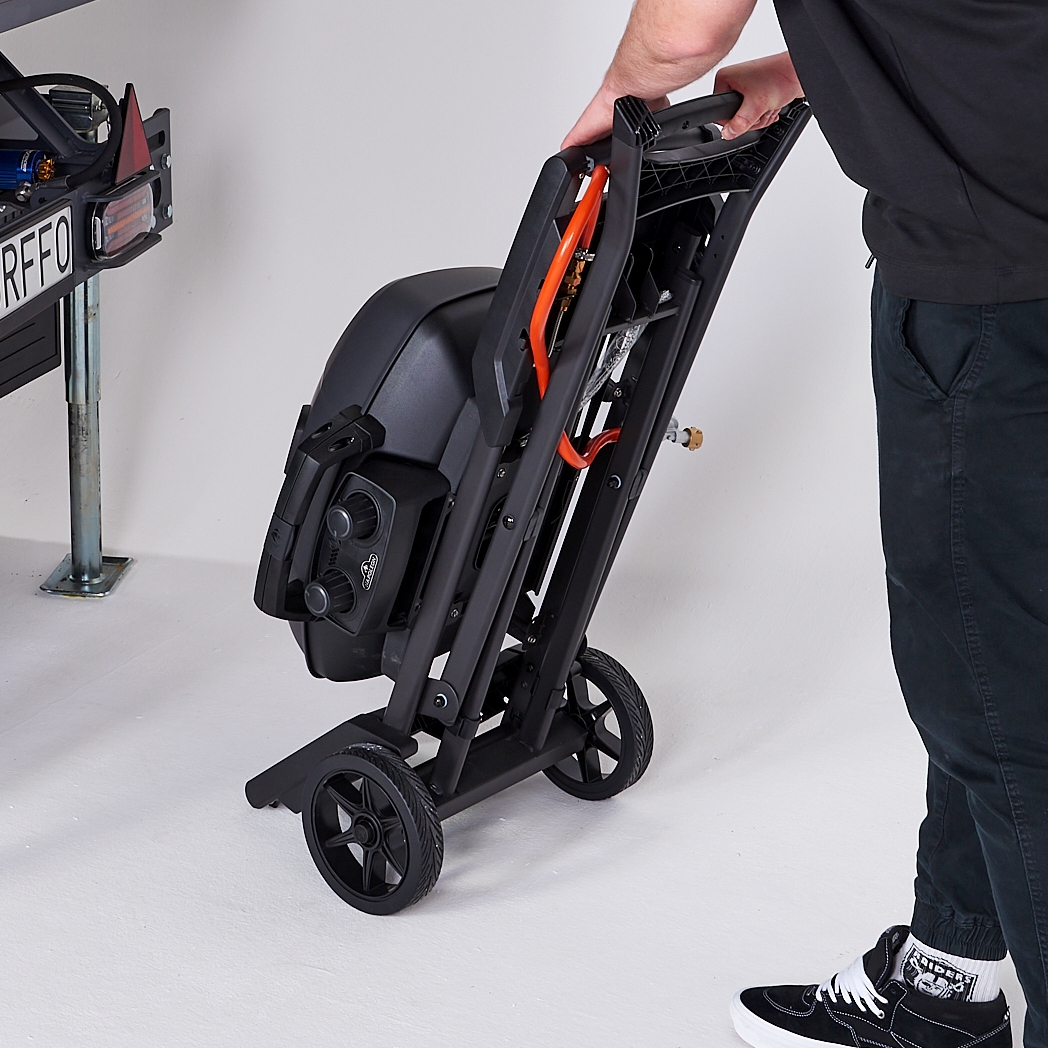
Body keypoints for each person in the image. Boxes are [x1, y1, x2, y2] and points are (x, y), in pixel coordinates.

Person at [563, 2, 1048, 1047]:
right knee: (1005, 661)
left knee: (997, 700)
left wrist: (618, 98)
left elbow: (683, 32)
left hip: (994, 296)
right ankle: (949, 977)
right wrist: (812, 66)